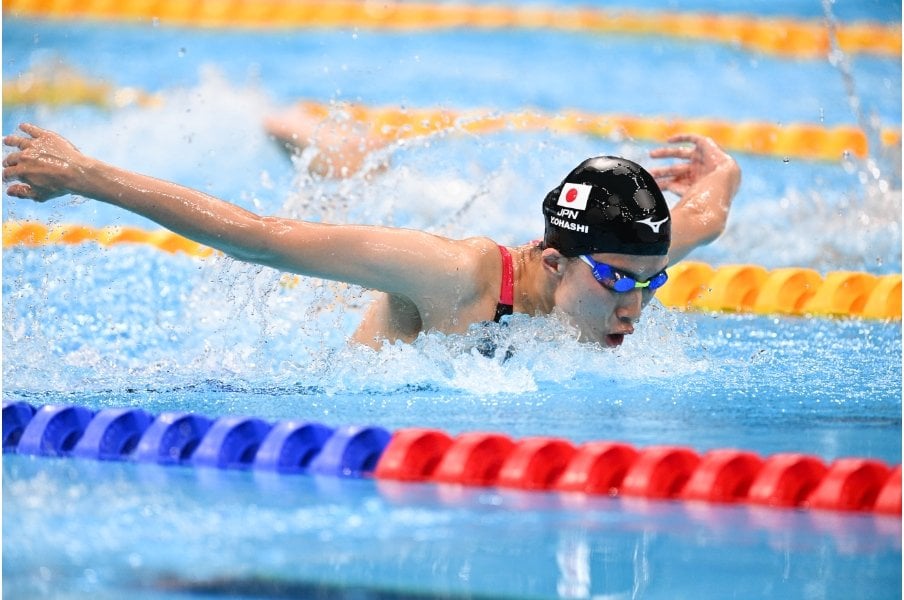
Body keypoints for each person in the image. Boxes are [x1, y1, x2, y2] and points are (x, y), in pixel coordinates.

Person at [3, 123, 740, 349]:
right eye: (617, 282)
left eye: (651, 283)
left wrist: (725, 172)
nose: (633, 307)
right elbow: (260, 237)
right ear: (554, 260)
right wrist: (88, 175)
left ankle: (345, 164)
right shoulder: (456, 277)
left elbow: (706, 215)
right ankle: (321, 148)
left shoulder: (626, 259)